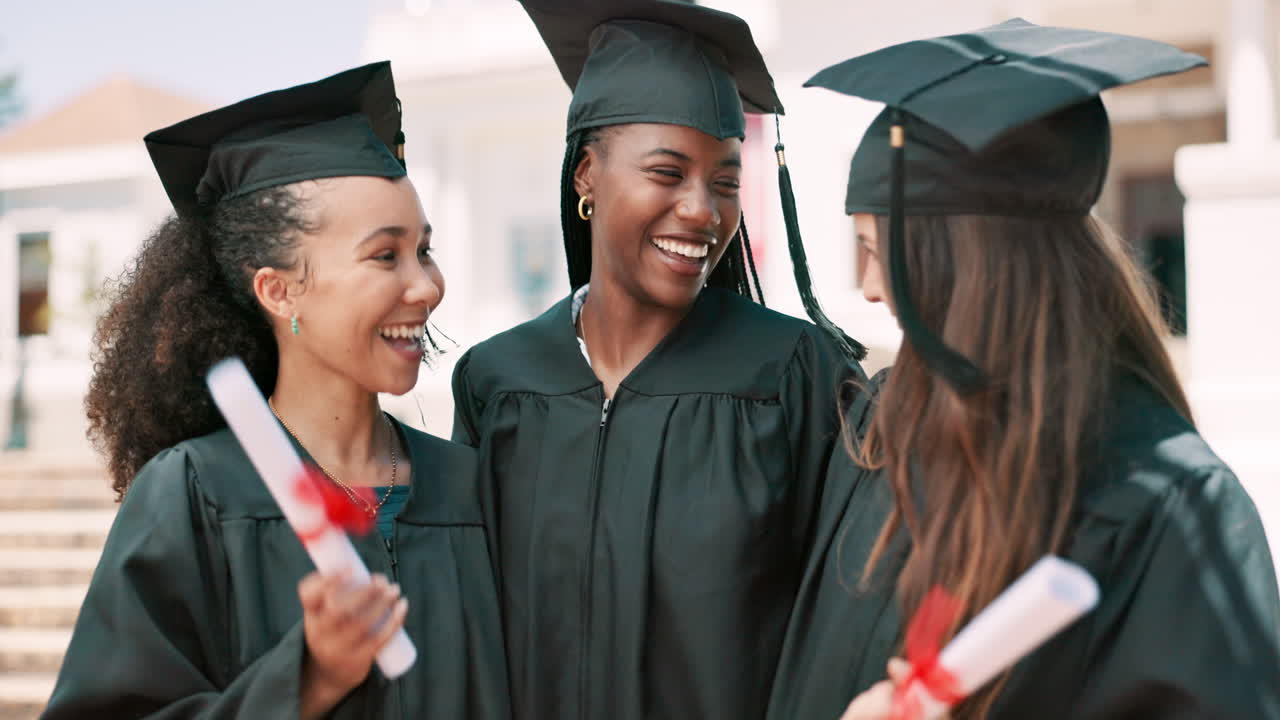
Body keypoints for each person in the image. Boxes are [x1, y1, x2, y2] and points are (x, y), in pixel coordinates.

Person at [765, 19, 1280, 720]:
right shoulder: (890, 433)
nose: (869, 289)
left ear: (960, 262)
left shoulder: (1168, 505)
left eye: (876, 248)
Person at [43, 63, 510, 720]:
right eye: (385, 255)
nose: (427, 286)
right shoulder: (195, 495)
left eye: (424, 251)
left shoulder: (470, 488)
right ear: (278, 290)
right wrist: (305, 680)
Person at [449, 1, 868, 718]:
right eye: (667, 172)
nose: (703, 209)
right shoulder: (499, 384)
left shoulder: (795, 376)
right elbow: (466, 630)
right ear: (587, 175)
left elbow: (844, 628)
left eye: (726, 182)